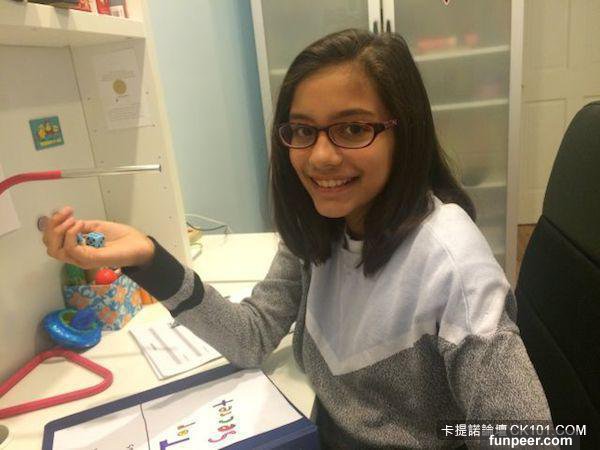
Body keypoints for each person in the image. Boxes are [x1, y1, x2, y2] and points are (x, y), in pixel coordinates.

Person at [43, 29, 552, 449]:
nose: (320, 157)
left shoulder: (453, 268)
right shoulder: (323, 226)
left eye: (352, 129)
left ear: (406, 133)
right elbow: (251, 337)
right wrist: (149, 259)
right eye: (303, 131)